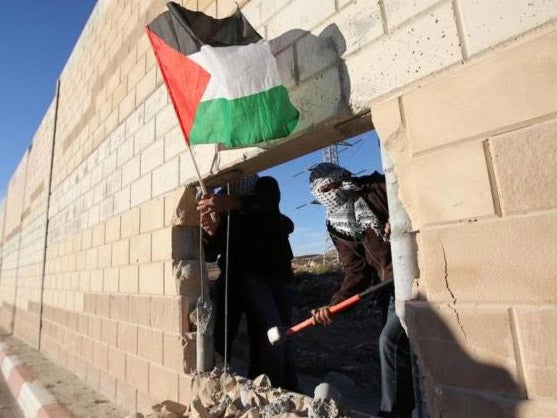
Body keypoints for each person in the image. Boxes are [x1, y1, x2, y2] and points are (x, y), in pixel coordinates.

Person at [308, 162, 414, 418]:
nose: (328, 193)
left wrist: (398, 218)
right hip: (387, 288)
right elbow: (356, 271)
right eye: (321, 191)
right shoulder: (336, 223)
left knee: (390, 341)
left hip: (412, 279)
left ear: (341, 177)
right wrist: (334, 306)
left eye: (330, 185)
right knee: (403, 353)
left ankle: (392, 414)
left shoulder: (377, 187)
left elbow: (412, 199)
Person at [198, 175, 298, 390]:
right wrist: (211, 232)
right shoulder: (220, 201)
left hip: (273, 276)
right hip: (235, 278)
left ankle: (273, 388)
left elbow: (266, 206)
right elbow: (211, 252)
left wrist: (234, 203)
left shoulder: (265, 186)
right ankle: (219, 386)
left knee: (272, 335)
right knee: (222, 335)